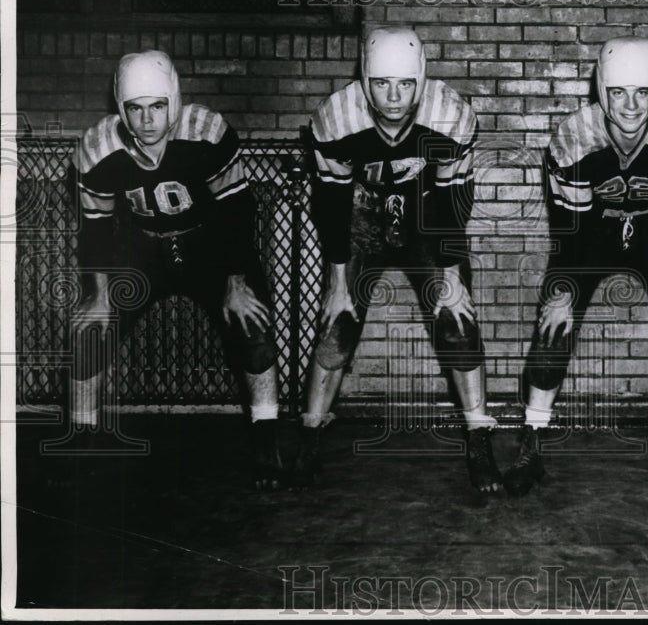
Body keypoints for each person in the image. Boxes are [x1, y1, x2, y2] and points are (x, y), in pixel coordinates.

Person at [504, 36, 648, 498]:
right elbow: (570, 235)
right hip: (589, 240)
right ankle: (529, 446)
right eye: (618, 92)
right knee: (551, 334)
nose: (631, 105)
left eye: (642, 93)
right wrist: (565, 295)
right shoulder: (573, 138)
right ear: (602, 91)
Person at [296, 26, 501, 498]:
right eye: (382, 83)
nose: (393, 96)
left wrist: (450, 273)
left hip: (428, 214)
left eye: (405, 84)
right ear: (364, 80)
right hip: (362, 214)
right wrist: (337, 278)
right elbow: (330, 203)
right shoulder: (335, 118)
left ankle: (479, 438)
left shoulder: (449, 115)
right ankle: (309, 435)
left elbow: (455, 201)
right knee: (337, 323)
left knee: (457, 320)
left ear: (421, 81)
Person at [68, 50, 283, 489]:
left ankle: (268, 437)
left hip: (210, 244)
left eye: (157, 106)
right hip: (142, 249)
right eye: (135, 108)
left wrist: (236, 282)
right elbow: (95, 231)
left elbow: (238, 212)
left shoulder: (206, 133)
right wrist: (99, 294)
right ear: (121, 108)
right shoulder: (98, 150)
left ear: (175, 101)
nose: (147, 120)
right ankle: (82, 441)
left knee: (252, 325)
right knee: (89, 332)